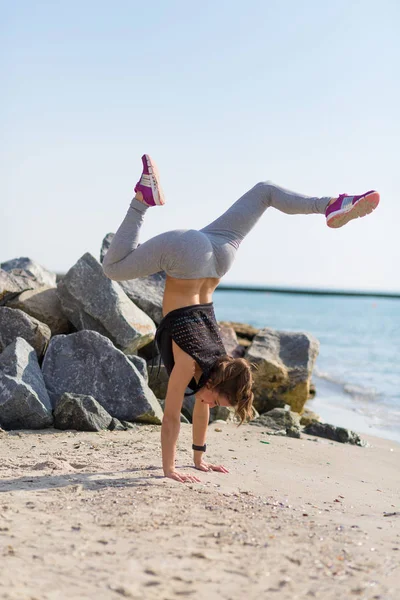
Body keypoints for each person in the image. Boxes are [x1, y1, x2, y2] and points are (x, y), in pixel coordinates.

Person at [102, 154, 380, 484]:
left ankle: (333, 204)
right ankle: (142, 200)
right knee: (112, 269)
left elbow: (197, 410)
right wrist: (169, 470)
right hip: (191, 254)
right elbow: (171, 418)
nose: (211, 404)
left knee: (265, 191)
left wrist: (198, 460)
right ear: (218, 383)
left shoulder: (219, 360)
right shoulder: (192, 366)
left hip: (219, 253)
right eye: (218, 399)